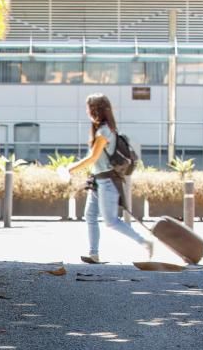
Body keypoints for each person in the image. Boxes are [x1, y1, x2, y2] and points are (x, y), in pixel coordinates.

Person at [66, 93, 153, 264]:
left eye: (88, 108)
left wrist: (71, 169)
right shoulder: (103, 129)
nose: (86, 111)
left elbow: (92, 157)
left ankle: (145, 242)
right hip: (99, 181)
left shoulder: (104, 131)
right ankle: (93, 254)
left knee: (111, 221)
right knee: (90, 215)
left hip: (107, 182)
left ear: (95, 110)